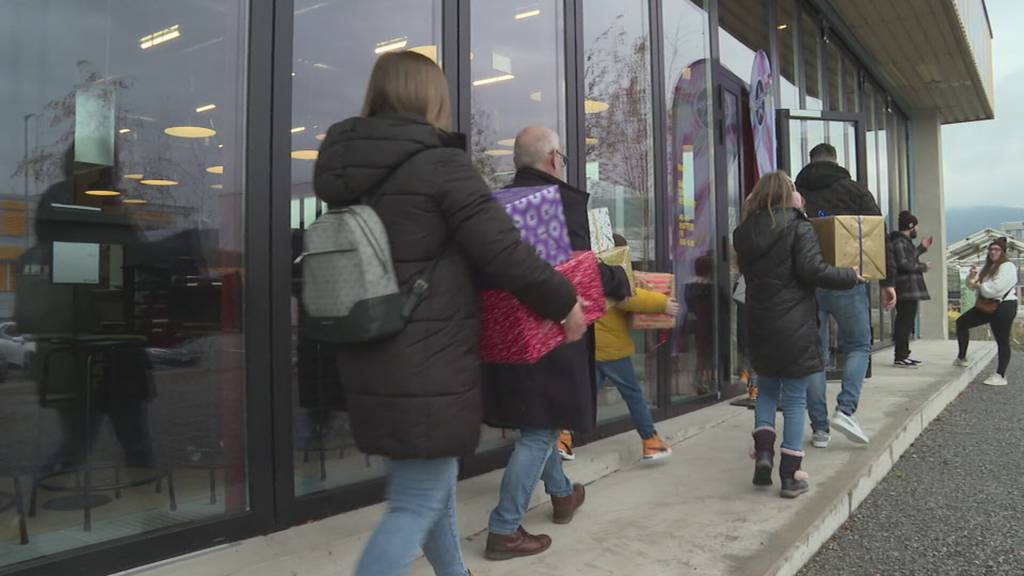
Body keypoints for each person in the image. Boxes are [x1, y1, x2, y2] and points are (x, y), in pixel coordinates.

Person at [313, 52, 587, 576]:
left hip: (370, 351)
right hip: (427, 360)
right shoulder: (439, 165)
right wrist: (565, 303)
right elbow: (504, 251)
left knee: (427, 491)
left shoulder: (352, 177)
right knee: (416, 503)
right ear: (431, 98)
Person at [482, 125, 631, 560]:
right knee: (540, 429)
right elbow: (576, 271)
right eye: (561, 157)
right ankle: (504, 527)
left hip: (506, 333)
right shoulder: (557, 202)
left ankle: (563, 494)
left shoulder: (494, 205)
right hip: (552, 329)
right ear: (552, 160)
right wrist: (619, 279)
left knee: (540, 420)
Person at [734, 171, 860, 498]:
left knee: (766, 391)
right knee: (793, 399)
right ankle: (790, 475)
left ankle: (764, 452)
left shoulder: (744, 232)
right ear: (786, 194)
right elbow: (812, 270)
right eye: (794, 189)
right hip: (794, 325)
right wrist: (850, 276)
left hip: (759, 324)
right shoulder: (798, 226)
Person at [795, 143, 897, 449]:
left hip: (809, 283)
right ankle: (845, 410)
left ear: (811, 161)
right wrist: (887, 281)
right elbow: (878, 235)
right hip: (849, 279)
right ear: (836, 161)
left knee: (815, 355)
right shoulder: (855, 191)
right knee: (859, 345)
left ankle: (820, 430)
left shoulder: (797, 192)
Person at [593, 234, 679, 460]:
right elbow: (630, 296)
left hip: (592, 346)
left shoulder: (591, 272)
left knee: (586, 396)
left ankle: (561, 437)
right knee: (633, 394)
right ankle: (651, 441)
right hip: (612, 348)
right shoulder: (612, 275)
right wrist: (663, 303)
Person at [955, 237, 1019, 386]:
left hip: (1004, 306)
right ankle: (961, 357)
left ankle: (1000, 375)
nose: (992, 252)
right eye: (990, 249)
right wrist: (972, 276)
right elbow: (972, 285)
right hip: (987, 305)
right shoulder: (988, 267)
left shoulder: (1007, 266)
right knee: (962, 322)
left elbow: (996, 289)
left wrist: (979, 285)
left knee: (1002, 339)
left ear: (1003, 252)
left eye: (996, 249)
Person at [889, 210, 933, 368]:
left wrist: (922, 248)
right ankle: (900, 356)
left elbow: (909, 257)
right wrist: (923, 267)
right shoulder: (899, 242)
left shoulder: (903, 242)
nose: (917, 229)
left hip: (908, 288)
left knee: (906, 322)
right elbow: (904, 264)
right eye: (916, 226)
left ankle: (903, 355)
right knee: (904, 322)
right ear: (910, 226)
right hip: (906, 288)